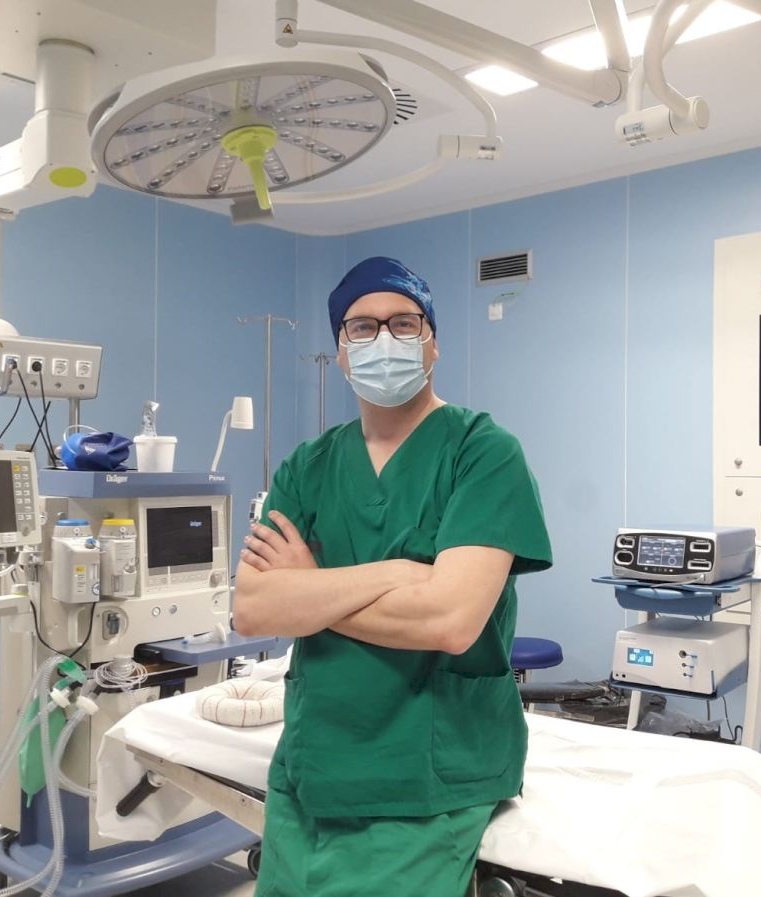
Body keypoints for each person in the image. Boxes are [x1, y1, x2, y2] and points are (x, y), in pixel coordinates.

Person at [234, 256, 552, 897]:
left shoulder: (482, 452)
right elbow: (254, 611)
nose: (383, 339)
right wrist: (399, 572)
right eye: (362, 327)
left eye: (404, 324)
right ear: (341, 353)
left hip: (429, 774)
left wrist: (313, 588)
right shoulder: (308, 466)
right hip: (313, 764)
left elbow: (450, 621)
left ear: (433, 343)